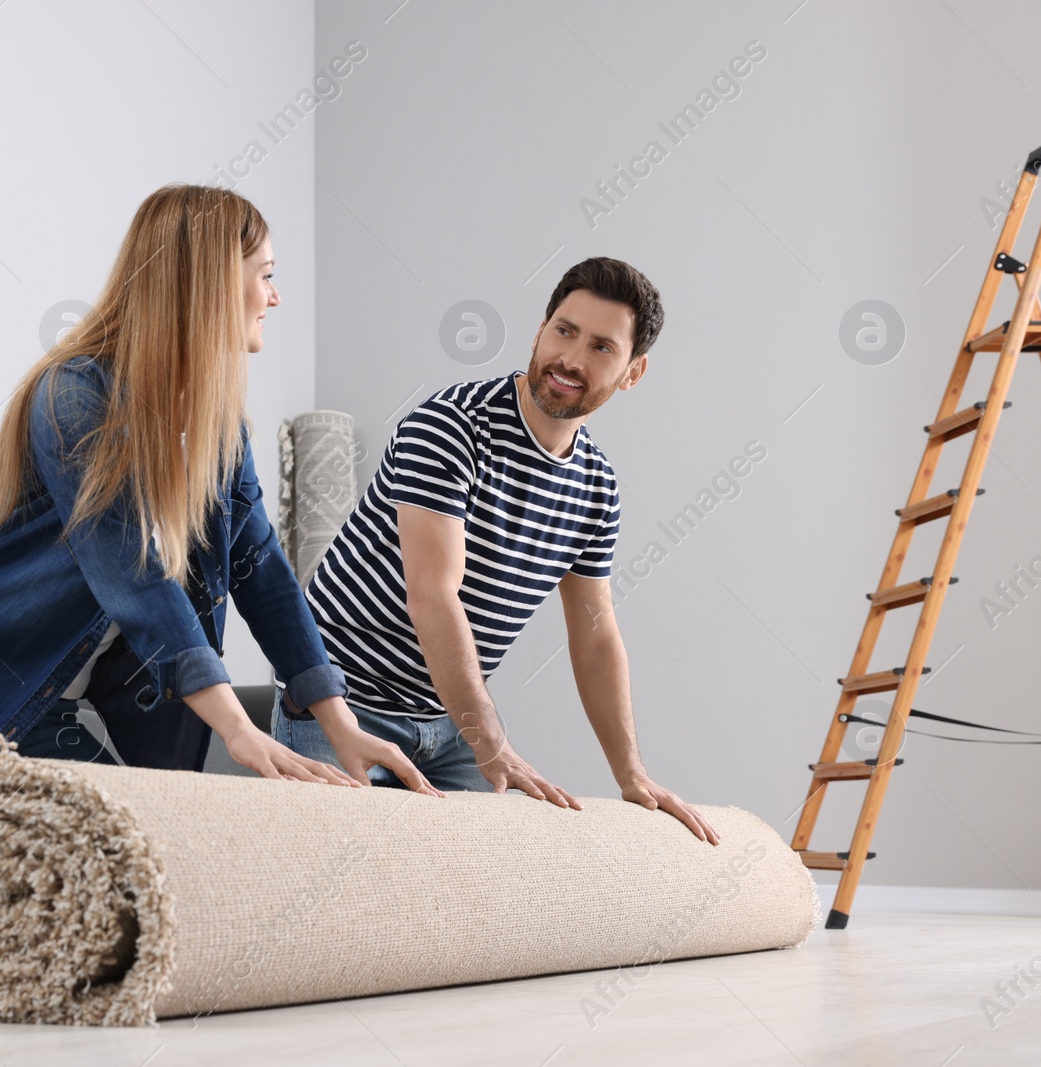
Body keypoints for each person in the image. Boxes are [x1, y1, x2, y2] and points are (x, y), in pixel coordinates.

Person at [0, 184, 440, 932]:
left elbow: (263, 574)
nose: (275, 294)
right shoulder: (74, 396)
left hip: (47, 707)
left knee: (127, 899)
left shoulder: (219, 433)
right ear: (207, 282)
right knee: (14, 914)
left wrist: (340, 721)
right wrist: (239, 729)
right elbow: (133, 571)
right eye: (263, 272)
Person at [281, 256, 719, 843]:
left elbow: (595, 634)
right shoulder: (450, 428)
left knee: (485, 892)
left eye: (601, 348)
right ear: (540, 329)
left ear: (633, 371)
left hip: (449, 722)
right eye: (564, 331)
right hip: (343, 702)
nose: (571, 359)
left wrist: (631, 773)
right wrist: (492, 744)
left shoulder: (596, 487)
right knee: (341, 891)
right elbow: (434, 597)